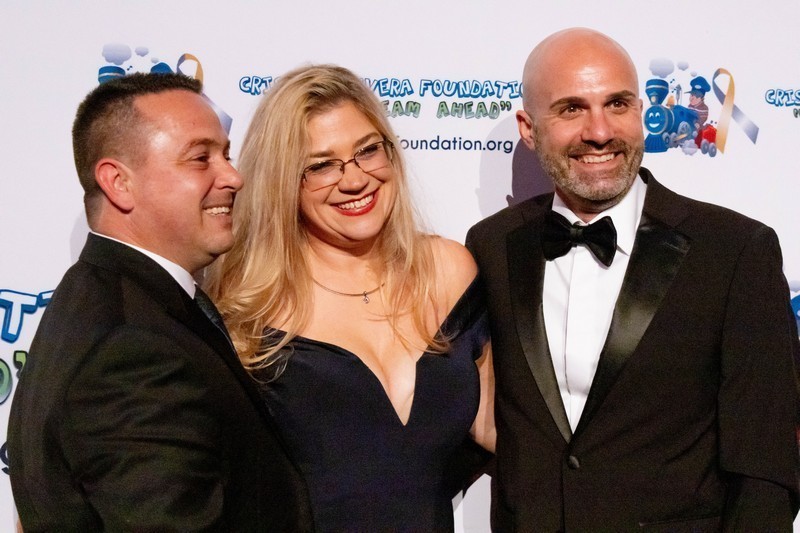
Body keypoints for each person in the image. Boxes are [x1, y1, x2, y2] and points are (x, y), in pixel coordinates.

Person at [466, 28, 799, 531]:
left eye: (617, 104)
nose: (600, 132)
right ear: (528, 129)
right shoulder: (492, 246)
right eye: (572, 109)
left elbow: (765, 464)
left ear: (641, 112)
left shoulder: (733, 251)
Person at [7, 73, 313, 531]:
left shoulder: (110, 300)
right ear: (118, 182)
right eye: (200, 158)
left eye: (226, 155)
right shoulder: (130, 350)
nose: (233, 177)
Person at [205, 64, 495, 531]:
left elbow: (496, 426)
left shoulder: (447, 271)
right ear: (282, 180)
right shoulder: (247, 306)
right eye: (321, 165)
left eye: (367, 150)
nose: (355, 179)